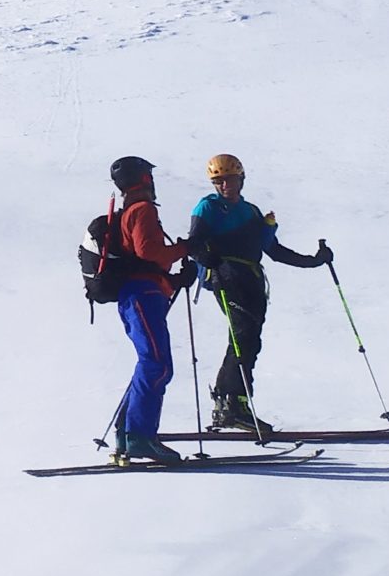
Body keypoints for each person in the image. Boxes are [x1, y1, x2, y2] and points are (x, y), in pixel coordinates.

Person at [188, 152, 332, 430]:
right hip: (226, 277)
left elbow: (274, 251)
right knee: (244, 336)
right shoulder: (208, 207)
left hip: (249, 279)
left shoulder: (250, 211)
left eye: (229, 179)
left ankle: (228, 404)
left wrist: (315, 260)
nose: (225, 186)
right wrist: (206, 257)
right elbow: (195, 242)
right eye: (218, 182)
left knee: (246, 337)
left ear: (241, 179)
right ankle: (234, 404)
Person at [96, 156, 191, 465]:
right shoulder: (142, 209)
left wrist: (174, 279)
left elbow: (145, 262)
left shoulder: (129, 212)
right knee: (156, 364)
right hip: (143, 296)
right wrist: (184, 249)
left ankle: (128, 434)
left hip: (139, 295)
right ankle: (139, 437)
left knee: (151, 363)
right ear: (144, 180)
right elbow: (148, 253)